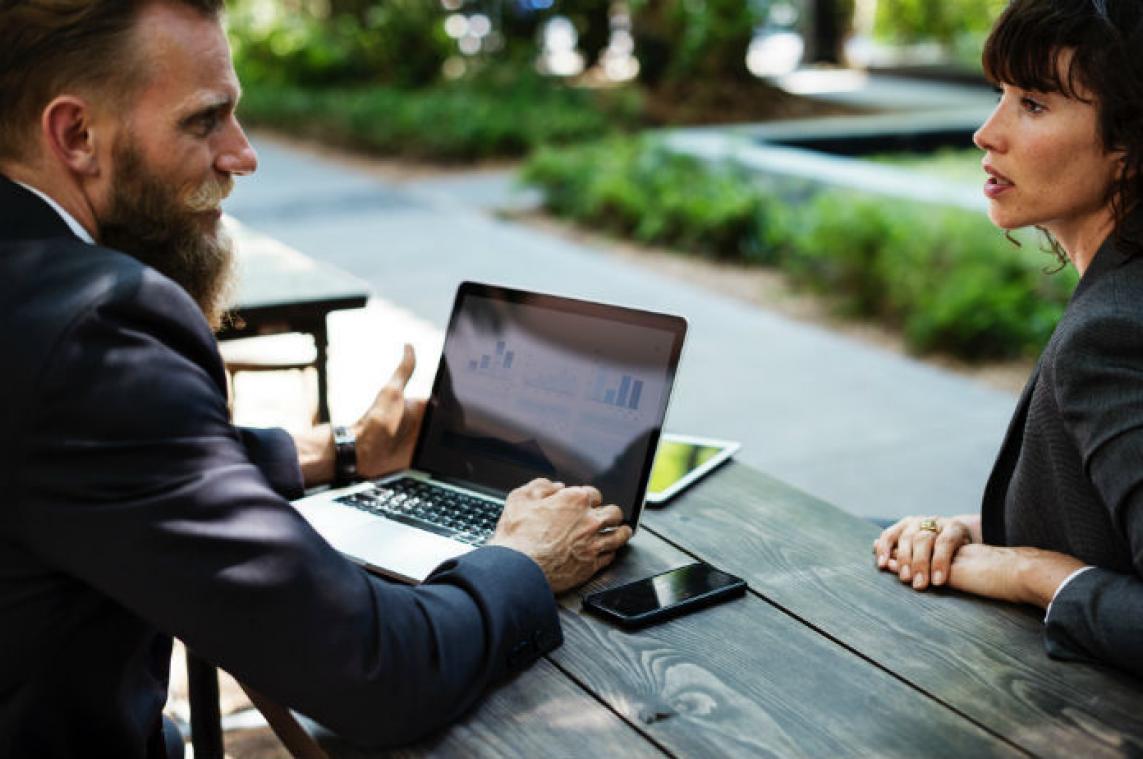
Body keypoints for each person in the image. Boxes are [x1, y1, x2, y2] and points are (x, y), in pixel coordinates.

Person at [0, 1, 633, 756]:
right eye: (205, 121)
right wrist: (521, 558)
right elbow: (376, 671)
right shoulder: (96, 326)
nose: (242, 154)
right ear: (76, 135)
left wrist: (337, 450)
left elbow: (86, 464)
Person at [873, 0, 1143, 678]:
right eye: (1000, 94)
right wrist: (973, 528)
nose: (985, 133)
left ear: (1128, 147)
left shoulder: (1111, 336)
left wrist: (1031, 573)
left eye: (1033, 104)